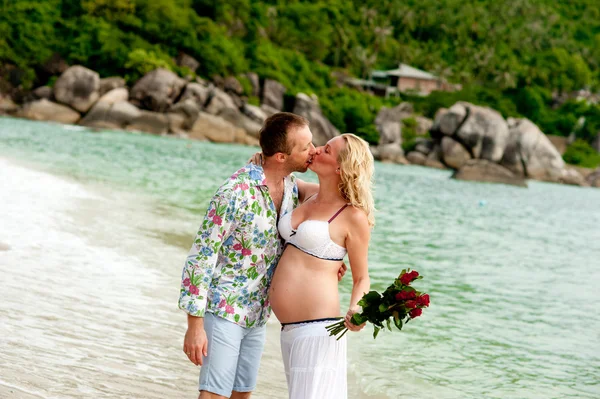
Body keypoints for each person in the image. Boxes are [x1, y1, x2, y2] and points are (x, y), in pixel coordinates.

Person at [178, 112, 345, 399]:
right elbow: (202, 255)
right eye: (305, 147)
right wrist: (194, 325)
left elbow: (331, 203)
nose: (313, 151)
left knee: (242, 393)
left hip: (257, 314)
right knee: (214, 394)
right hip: (224, 309)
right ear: (281, 156)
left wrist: (326, 259)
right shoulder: (235, 192)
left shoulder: (291, 187)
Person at [270, 133, 375, 399]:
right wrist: (262, 160)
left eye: (326, 150)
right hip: (289, 331)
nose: (316, 150)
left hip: (319, 332)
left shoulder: (353, 216)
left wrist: (357, 308)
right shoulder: (307, 193)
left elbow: (362, 278)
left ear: (341, 167)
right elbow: (279, 175)